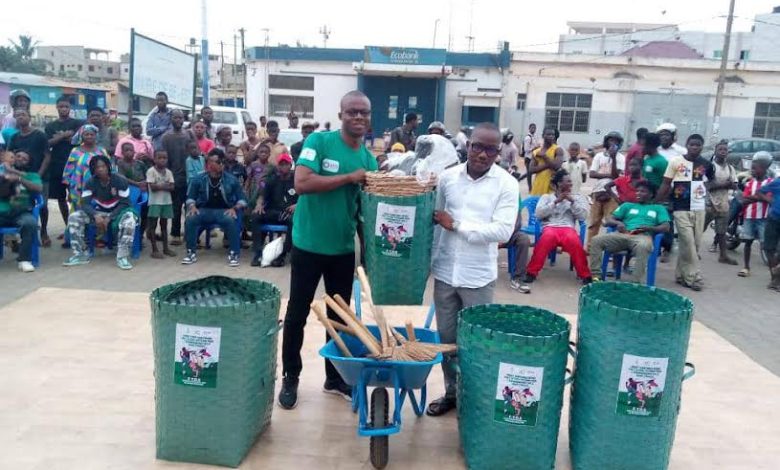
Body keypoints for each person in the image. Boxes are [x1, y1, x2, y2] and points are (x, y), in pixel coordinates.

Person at [278, 90, 378, 410]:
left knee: (338, 318)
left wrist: (372, 256)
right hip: (308, 243)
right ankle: (291, 377)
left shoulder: (369, 159)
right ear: (341, 115)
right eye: (352, 112)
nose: (358, 117)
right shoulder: (319, 143)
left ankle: (334, 378)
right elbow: (303, 182)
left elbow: (366, 211)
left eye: (364, 112)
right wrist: (349, 177)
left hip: (342, 248)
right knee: (298, 313)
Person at [423, 122, 519, 416]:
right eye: (477, 146)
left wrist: (458, 226)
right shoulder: (448, 178)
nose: (481, 154)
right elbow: (435, 219)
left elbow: (502, 231)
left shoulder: (506, 184)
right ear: (468, 145)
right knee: (447, 341)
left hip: (478, 277)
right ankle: (452, 393)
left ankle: (474, 401)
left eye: (490, 149)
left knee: (478, 343)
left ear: (498, 152)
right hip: (445, 273)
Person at [656, 134, 714, 291]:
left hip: (699, 207)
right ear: (687, 145)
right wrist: (656, 202)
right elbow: (666, 183)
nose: (695, 147)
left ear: (702, 146)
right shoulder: (675, 162)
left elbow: (711, 181)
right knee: (687, 241)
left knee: (693, 243)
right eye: (692, 144)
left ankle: (681, 275)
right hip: (680, 207)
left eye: (698, 145)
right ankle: (694, 276)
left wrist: (706, 193)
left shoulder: (707, 164)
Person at [63, 155, 138, 270]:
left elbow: (125, 203)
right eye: (97, 167)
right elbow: (85, 203)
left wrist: (111, 217)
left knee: (130, 221)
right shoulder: (90, 182)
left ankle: (123, 257)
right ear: (93, 169)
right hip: (99, 212)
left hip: (119, 212)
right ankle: (80, 254)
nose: (100, 169)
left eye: (103, 166)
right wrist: (95, 215)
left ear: (108, 166)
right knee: (74, 217)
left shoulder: (120, 180)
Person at [588, 180, 670, 282]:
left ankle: (635, 283)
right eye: (637, 191)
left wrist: (650, 228)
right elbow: (609, 220)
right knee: (596, 240)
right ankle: (596, 277)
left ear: (651, 194)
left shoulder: (658, 208)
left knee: (643, 246)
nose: (638, 193)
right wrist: (618, 223)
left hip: (642, 236)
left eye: (642, 191)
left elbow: (666, 227)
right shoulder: (627, 205)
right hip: (622, 234)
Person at [524, 169, 592, 284]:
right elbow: (538, 214)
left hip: (568, 228)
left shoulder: (578, 198)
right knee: (546, 239)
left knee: (575, 242)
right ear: (559, 184)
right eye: (568, 181)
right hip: (550, 226)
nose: (570, 184)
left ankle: (585, 275)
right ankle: (531, 272)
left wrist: (572, 202)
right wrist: (555, 202)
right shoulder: (547, 197)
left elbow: (583, 217)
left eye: (571, 182)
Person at [181, 148, 247, 266]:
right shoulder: (199, 179)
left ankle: (234, 254)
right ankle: (190, 252)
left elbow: (242, 200)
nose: (211, 165)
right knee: (191, 218)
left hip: (224, 211)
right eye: (209, 161)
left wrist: (234, 208)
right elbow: (190, 197)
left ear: (222, 163)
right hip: (204, 210)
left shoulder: (231, 180)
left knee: (231, 220)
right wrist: (192, 206)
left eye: (215, 162)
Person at [7, 109, 52, 247]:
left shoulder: (39, 135)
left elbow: (47, 156)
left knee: (41, 205)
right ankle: (20, 236)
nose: (20, 117)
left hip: (39, 176)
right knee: (19, 202)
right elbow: (9, 156)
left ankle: (43, 231)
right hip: (18, 175)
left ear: (29, 117)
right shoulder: (14, 137)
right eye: (18, 115)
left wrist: (39, 173)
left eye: (23, 115)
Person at [251, 153, 297, 267]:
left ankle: (283, 254)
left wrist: (297, 205)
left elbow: (306, 196)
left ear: (290, 165)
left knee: (293, 220)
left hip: (289, 213)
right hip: (273, 211)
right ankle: (257, 253)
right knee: (256, 216)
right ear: (278, 166)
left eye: (286, 164)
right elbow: (262, 195)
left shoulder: (296, 180)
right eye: (281, 164)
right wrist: (259, 204)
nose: (283, 167)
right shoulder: (272, 180)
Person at [45, 96, 83, 233]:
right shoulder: (50, 126)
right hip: (56, 166)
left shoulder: (78, 123)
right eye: (61, 106)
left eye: (66, 106)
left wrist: (59, 138)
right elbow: (48, 143)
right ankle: (68, 228)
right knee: (61, 198)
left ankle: (78, 227)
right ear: (57, 107)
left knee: (76, 197)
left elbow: (78, 140)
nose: (63, 109)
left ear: (70, 108)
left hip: (75, 166)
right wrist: (64, 136)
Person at [0, 150, 42, 272]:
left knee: (30, 223)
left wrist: (19, 179)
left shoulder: (32, 175)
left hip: (21, 212)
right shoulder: (2, 171)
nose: (19, 159)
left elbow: (38, 188)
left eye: (24, 159)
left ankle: (24, 260)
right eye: (17, 156)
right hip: (1, 212)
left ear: (28, 163)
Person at [161, 109, 194, 246]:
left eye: (181, 118)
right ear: (171, 119)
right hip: (174, 176)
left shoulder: (189, 135)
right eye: (175, 118)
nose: (178, 120)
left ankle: (189, 232)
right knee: (176, 206)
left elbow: (194, 152)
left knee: (189, 206)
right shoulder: (166, 137)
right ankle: (175, 233)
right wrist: (167, 177)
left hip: (190, 177)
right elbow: (164, 159)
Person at [587, 131, 625, 249]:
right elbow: (592, 174)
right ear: (606, 142)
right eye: (610, 140)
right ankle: (590, 247)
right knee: (594, 222)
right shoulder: (599, 156)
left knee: (610, 222)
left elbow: (616, 177)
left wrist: (613, 159)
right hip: (597, 192)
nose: (613, 143)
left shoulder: (620, 158)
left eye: (616, 141)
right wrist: (608, 175)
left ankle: (610, 248)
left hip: (613, 194)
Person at [739, 152, 773, 278]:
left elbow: (769, 199)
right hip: (749, 216)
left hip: (763, 218)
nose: (752, 170)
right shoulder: (749, 183)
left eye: (755, 168)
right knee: (748, 242)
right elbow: (744, 200)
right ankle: (746, 267)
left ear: (763, 169)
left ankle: (773, 273)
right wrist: (759, 197)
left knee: (766, 245)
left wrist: (754, 197)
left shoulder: (770, 183)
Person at [62, 124, 109, 214]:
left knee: (97, 214)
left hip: (99, 188)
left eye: (92, 134)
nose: (89, 136)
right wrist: (69, 192)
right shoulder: (75, 151)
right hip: (78, 190)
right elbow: (68, 173)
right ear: (81, 136)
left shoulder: (102, 151)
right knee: (79, 216)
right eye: (86, 134)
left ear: (96, 136)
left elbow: (109, 170)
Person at [705, 140, 738, 265]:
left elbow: (735, 185)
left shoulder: (730, 168)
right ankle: (693, 252)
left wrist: (724, 185)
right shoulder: (710, 166)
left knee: (722, 232)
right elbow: (707, 186)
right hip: (709, 203)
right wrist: (725, 184)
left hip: (723, 203)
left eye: (725, 150)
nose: (723, 152)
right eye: (720, 149)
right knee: (699, 229)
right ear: (715, 151)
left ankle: (723, 256)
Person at [146, 150, 176, 259]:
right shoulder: (151, 171)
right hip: (154, 202)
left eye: (165, 158)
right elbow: (152, 188)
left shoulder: (169, 172)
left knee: (164, 226)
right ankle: (154, 249)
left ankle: (165, 248)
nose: (162, 160)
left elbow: (172, 187)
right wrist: (165, 185)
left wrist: (159, 185)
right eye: (160, 158)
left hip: (166, 202)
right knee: (153, 226)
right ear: (154, 159)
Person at [755, 170, 780, 290]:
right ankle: (774, 279)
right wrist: (768, 199)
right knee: (769, 248)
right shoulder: (777, 182)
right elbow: (759, 191)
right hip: (774, 219)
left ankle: (777, 278)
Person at [529, 127, 564, 196]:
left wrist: (544, 157)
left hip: (551, 185)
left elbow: (556, 166)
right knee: (536, 205)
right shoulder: (537, 151)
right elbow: (531, 170)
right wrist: (548, 164)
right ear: (543, 135)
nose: (551, 137)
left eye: (553, 135)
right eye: (548, 134)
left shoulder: (558, 149)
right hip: (538, 184)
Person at [245, 143, 272, 209]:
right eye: (261, 152)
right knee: (251, 207)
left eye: (266, 152)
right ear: (257, 153)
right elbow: (248, 179)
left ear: (269, 154)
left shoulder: (272, 167)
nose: (263, 154)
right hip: (254, 190)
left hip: (265, 191)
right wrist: (245, 191)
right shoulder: (253, 165)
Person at [523, 123, 542, 192]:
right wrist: (535, 147)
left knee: (531, 172)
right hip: (528, 158)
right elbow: (526, 149)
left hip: (533, 157)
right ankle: (530, 188)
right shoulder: (528, 138)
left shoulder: (533, 137)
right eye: (532, 128)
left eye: (534, 128)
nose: (533, 129)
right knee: (529, 174)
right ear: (529, 128)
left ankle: (521, 178)